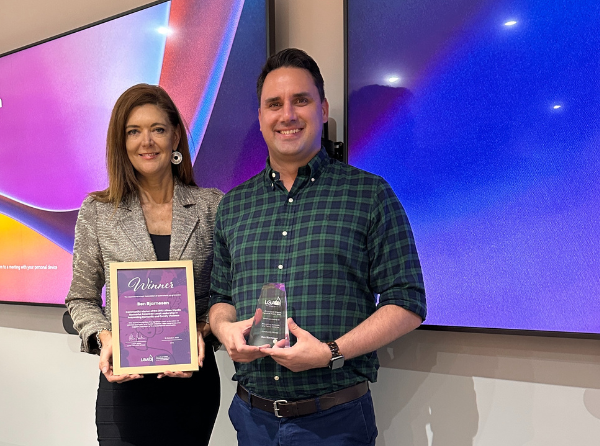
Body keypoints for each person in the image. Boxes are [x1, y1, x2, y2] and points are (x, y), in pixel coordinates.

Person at [209, 48, 427, 445]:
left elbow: (408, 301)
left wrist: (331, 352)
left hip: (336, 423)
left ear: (323, 109)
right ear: (260, 118)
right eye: (274, 104)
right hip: (250, 419)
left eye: (301, 101)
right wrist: (224, 329)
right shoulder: (233, 205)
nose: (287, 114)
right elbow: (221, 295)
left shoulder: (369, 194)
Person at [65, 84, 222, 446]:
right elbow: (81, 298)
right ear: (121, 143)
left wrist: (199, 331)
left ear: (175, 137)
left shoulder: (212, 207)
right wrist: (105, 339)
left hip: (192, 386)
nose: (146, 141)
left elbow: (226, 294)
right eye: (133, 131)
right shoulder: (98, 212)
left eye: (158, 129)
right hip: (124, 387)